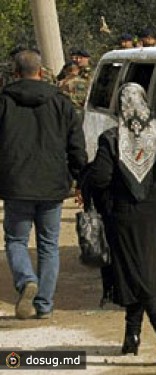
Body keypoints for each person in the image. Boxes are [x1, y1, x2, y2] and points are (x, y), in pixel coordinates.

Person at [82, 83, 156, 364]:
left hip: (125, 216)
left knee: (143, 279)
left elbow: (100, 178)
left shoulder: (111, 138)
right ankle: (132, 336)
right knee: (142, 271)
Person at [0, 49, 87, 319]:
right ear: (41, 72)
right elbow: (77, 146)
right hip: (52, 184)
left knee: (16, 239)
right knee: (49, 245)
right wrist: (80, 179)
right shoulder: (61, 103)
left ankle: (26, 280)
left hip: (16, 183)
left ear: (15, 73)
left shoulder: (3, 102)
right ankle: (44, 305)